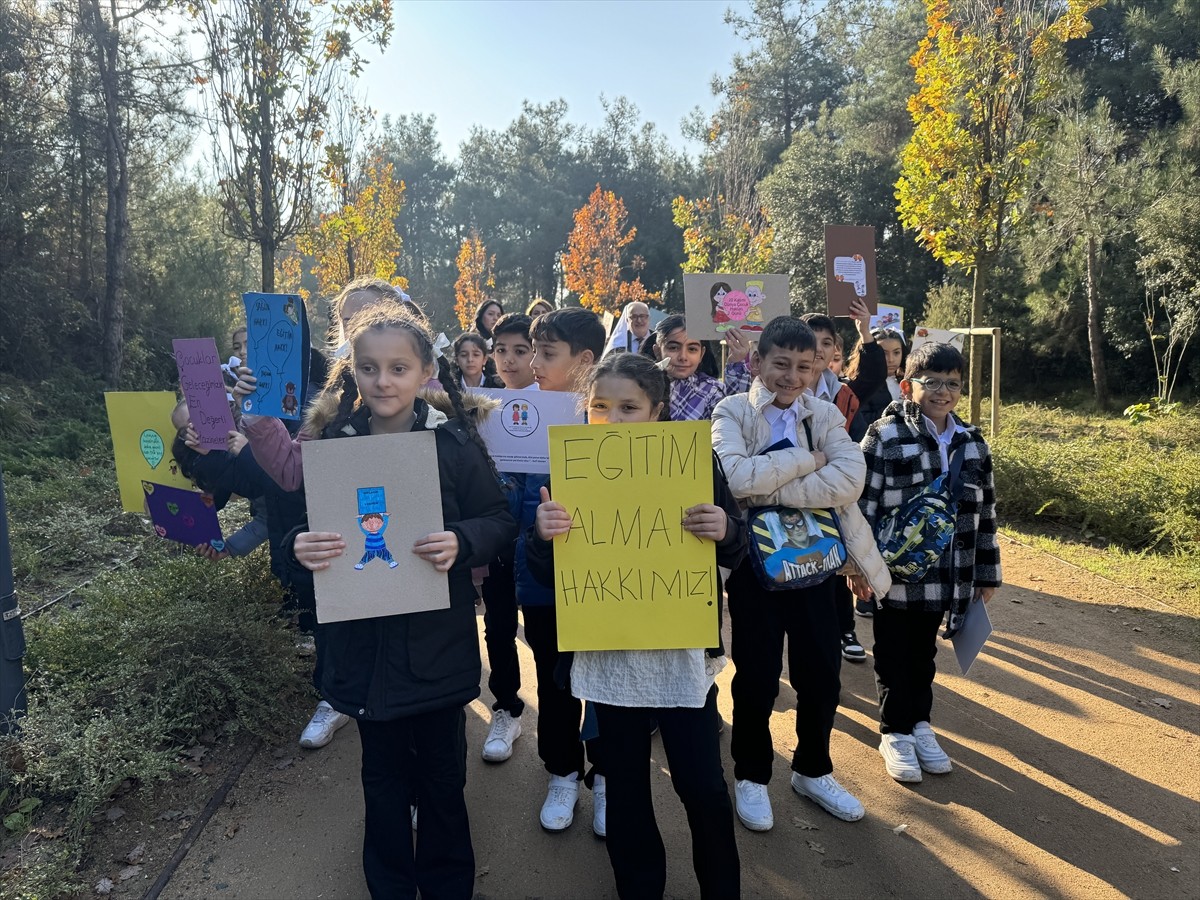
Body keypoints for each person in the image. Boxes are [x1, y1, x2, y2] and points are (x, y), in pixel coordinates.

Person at [287, 304, 517, 899]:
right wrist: (300, 545)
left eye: (397, 368)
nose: (382, 381)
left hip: (436, 650)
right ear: (353, 373)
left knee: (443, 781)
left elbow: (498, 519)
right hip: (362, 657)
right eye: (369, 368)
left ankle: (446, 885)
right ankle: (389, 885)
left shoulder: (453, 444)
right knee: (382, 781)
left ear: (423, 374)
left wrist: (462, 541)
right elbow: (295, 527)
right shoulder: (332, 444)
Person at [526, 352, 743, 899]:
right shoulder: (570, 467)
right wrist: (540, 537)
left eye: (629, 407)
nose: (614, 420)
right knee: (624, 791)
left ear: (658, 411)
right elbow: (545, 570)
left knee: (704, 788)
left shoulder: (696, 463)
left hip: (678, 658)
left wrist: (726, 531)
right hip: (607, 659)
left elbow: (738, 552)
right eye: (601, 407)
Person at [711, 316, 890, 830]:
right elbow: (736, 477)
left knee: (820, 675)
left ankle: (812, 769)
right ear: (757, 362)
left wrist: (771, 485)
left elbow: (849, 481)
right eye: (781, 364)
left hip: (818, 565)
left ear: (819, 367)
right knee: (758, 676)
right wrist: (809, 460)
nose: (792, 376)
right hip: (754, 568)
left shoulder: (826, 414)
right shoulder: (731, 412)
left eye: (804, 366)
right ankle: (751, 773)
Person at [856, 341, 1001, 785]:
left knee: (923, 654)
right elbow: (863, 505)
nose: (943, 392)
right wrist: (858, 566)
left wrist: (986, 572)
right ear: (907, 385)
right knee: (893, 651)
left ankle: (920, 724)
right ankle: (894, 731)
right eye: (931, 382)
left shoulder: (972, 443)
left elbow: (986, 512)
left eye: (952, 383)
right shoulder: (884, 436)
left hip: (949, 571)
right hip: (895, 571)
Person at [522, 307, 608, 833]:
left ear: (585, 360)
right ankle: (561, 772)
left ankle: (604, 776)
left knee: (601, 681)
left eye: (546, 354)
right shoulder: (520, 416)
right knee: (555, 682)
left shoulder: (614, 415)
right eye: (533, 351)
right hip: (544, 580)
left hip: (607, 582)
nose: (534, 363)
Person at [801, 303, 887, 664]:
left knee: (836, 562)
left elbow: (874, 373)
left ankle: (845, 629)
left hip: (833, 489)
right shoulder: (783, 385)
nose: (819, 350)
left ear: (837, 349)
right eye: (811, 342)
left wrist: (865, 330)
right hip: (794, 488)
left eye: (826, 342)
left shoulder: (844, 393)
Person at [476, 312, 537, 764]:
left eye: (520, 350)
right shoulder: (482, 409)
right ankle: (507, 706)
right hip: (498, 542)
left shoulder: (561, 408)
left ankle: (570, 724)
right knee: (498, 625)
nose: (510, 361)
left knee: (547, 633)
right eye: (501, 352)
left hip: (544, 544)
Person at [648, 315, 752, 422]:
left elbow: (738, 417)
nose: (683, 357)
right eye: (673, 348)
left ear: (701, 354)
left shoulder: (711, 390)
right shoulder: (642, 386)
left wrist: (736, 362)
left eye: (692, 349)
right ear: (657, 351)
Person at [490, 313, 536, 391]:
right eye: (501, 350)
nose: (508, 360)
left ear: (536, 355)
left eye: (520, 351)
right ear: (494, 356)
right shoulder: (488, 401)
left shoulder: (553, 400)